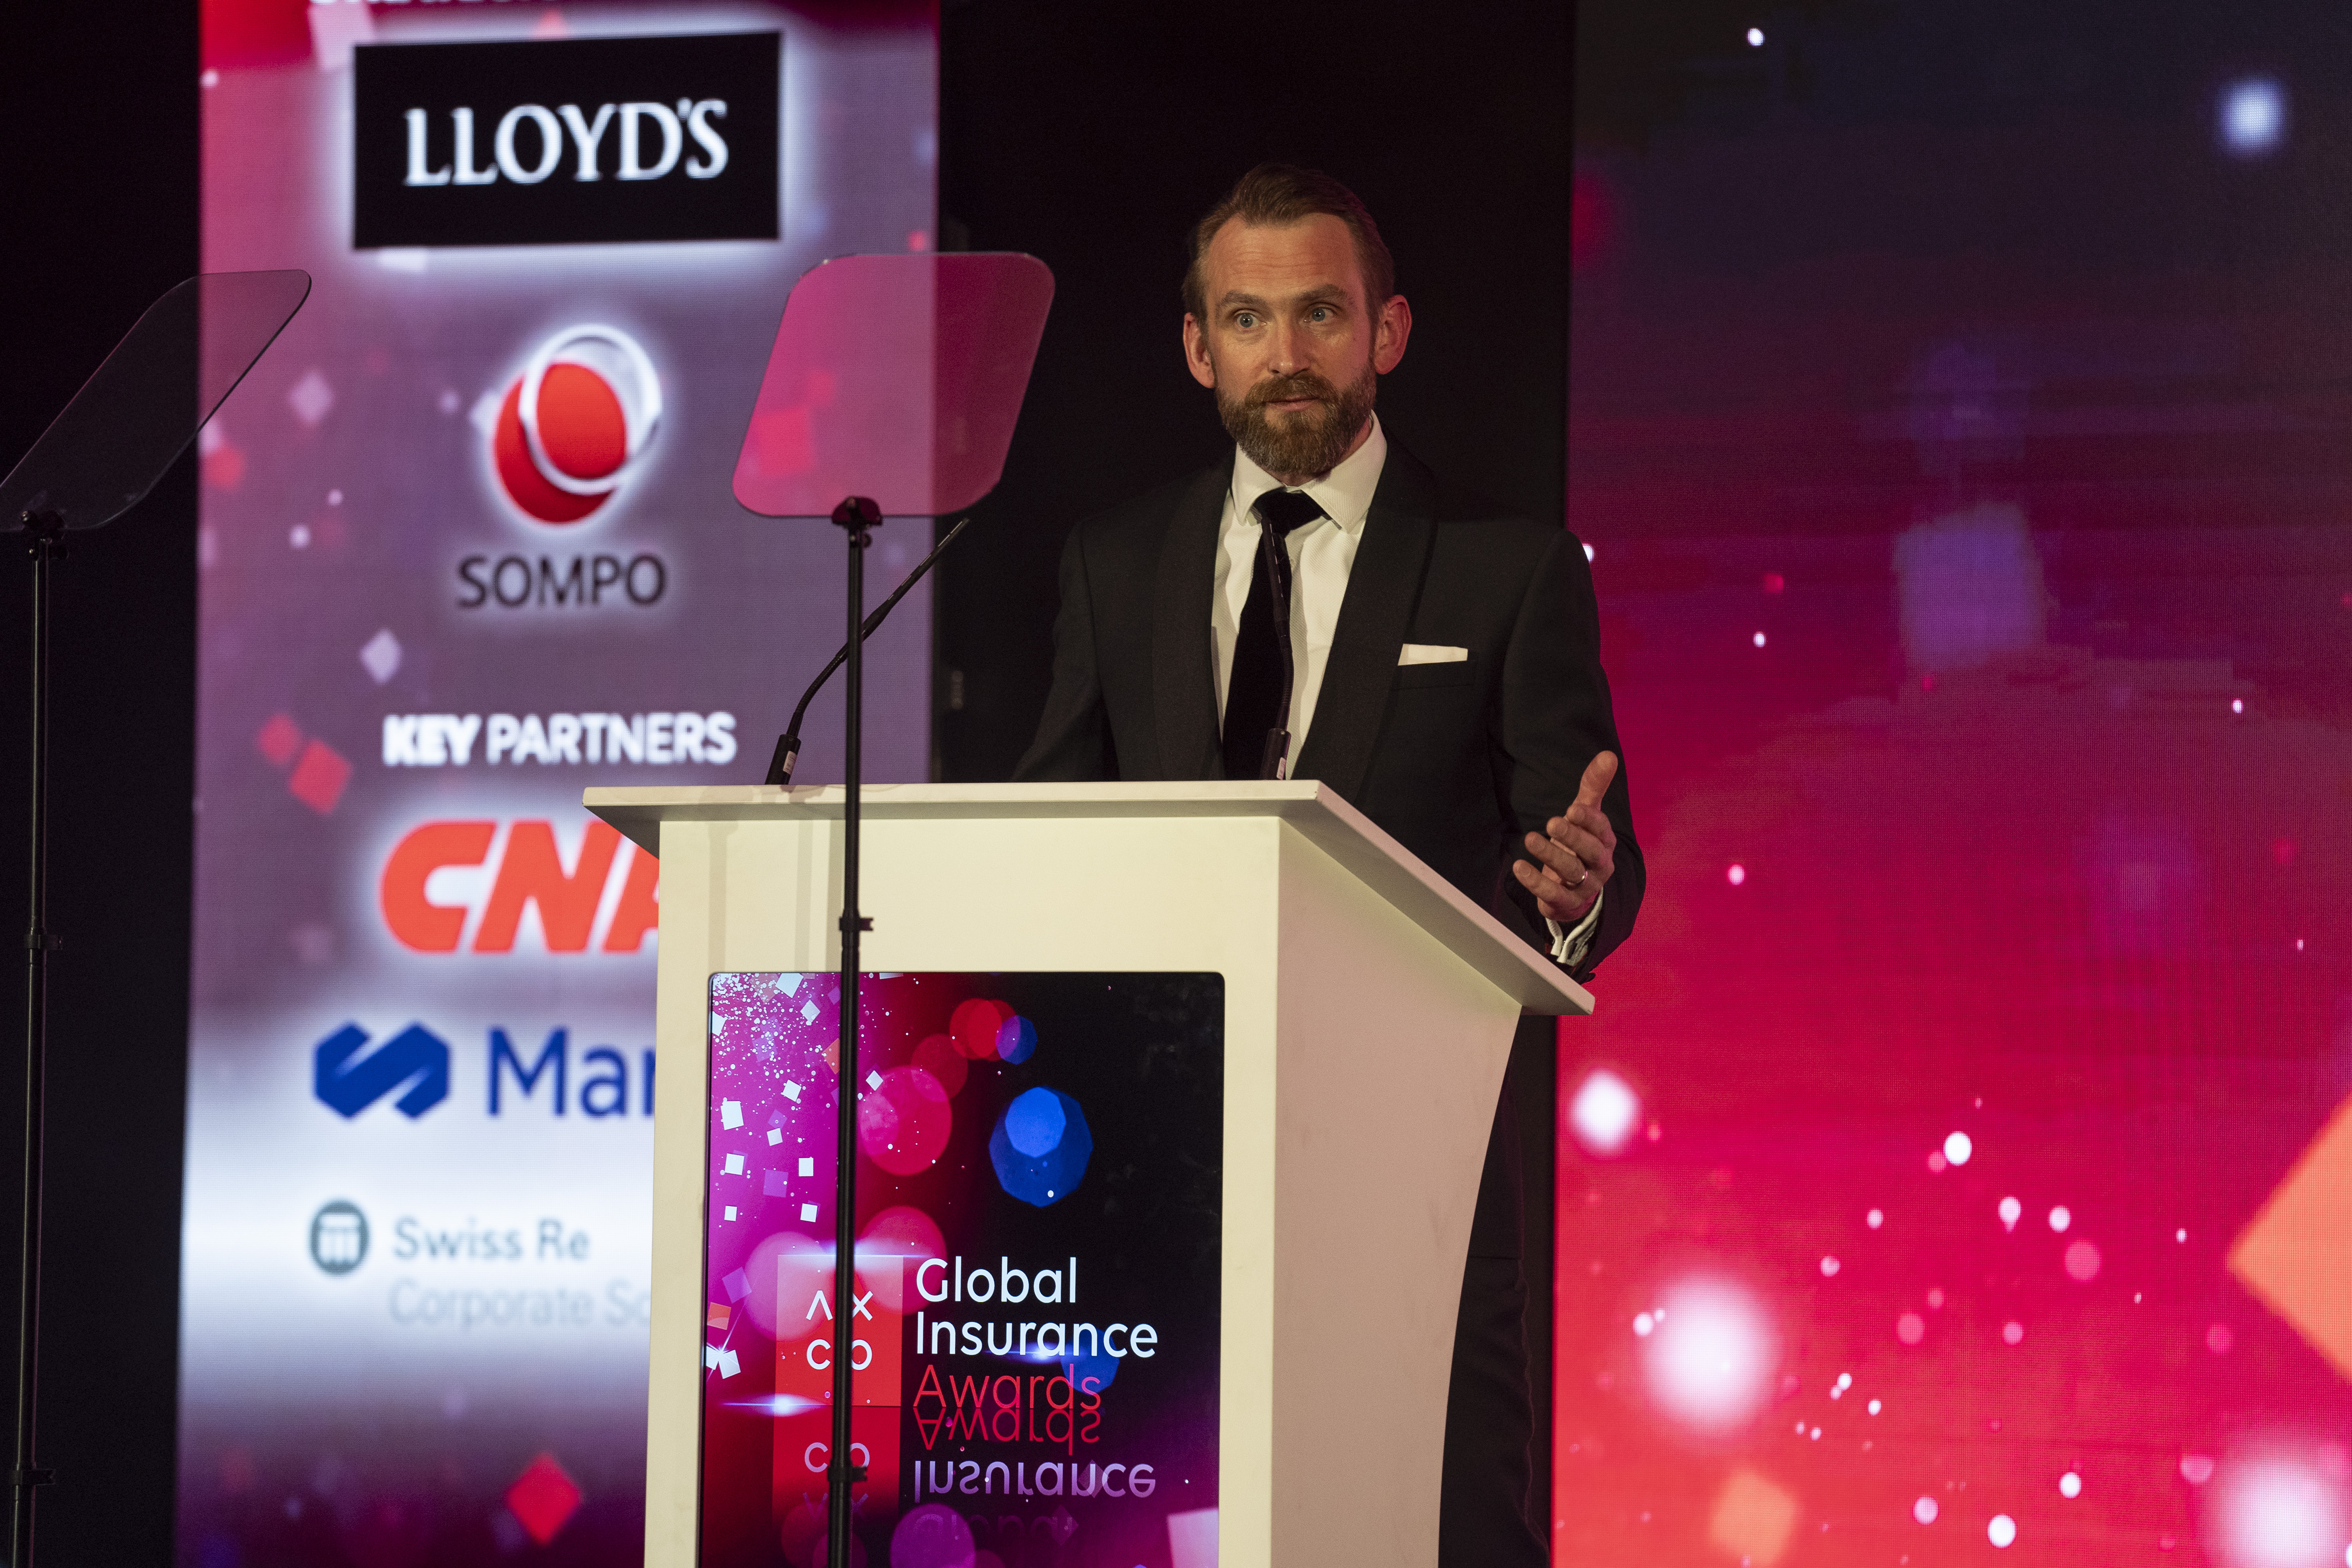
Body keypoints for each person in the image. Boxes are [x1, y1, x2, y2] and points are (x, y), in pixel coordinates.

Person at [1014, 162, 1642, 1565]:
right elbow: (1054, 822)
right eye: (1246, 318)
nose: (1284, 355)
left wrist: (1576, 888)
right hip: (1155, 1164)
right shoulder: (1114, 563)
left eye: (1318, 314)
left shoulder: (1506, 570)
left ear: (1388, 332)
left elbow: (1590, 848)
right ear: (1197, 348)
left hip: (1413, 1170)